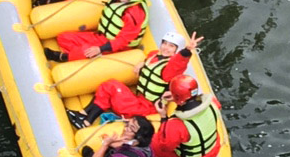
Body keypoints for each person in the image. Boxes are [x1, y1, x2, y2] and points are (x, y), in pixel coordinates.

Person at [66, 31, 204, 128]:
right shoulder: (156, 54)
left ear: (176, 50)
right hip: (138, 99)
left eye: (171, 46)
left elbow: (178, 64)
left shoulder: (170, 68)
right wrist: (142, 63)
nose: (166, 48)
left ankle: (86, 122)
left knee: (111, 86)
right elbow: (151, 56)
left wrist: (187, 50)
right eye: (165, 43)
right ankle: (83, 114)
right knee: (109, 84)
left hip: (146, 107)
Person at [44, 0, 150, 62]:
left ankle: (64, 57)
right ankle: (81, 55)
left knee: (88, 51)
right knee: (63, 38)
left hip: (117, 46)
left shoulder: (134, 13)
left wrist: (100, 49)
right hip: (100, 36)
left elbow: (123, 40)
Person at [151, 75, 222, 157]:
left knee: (153, 143)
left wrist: (163, 117)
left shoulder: (177, 125)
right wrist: (177, 97)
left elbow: (165, 146)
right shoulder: (213, 103)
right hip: (214, 149)